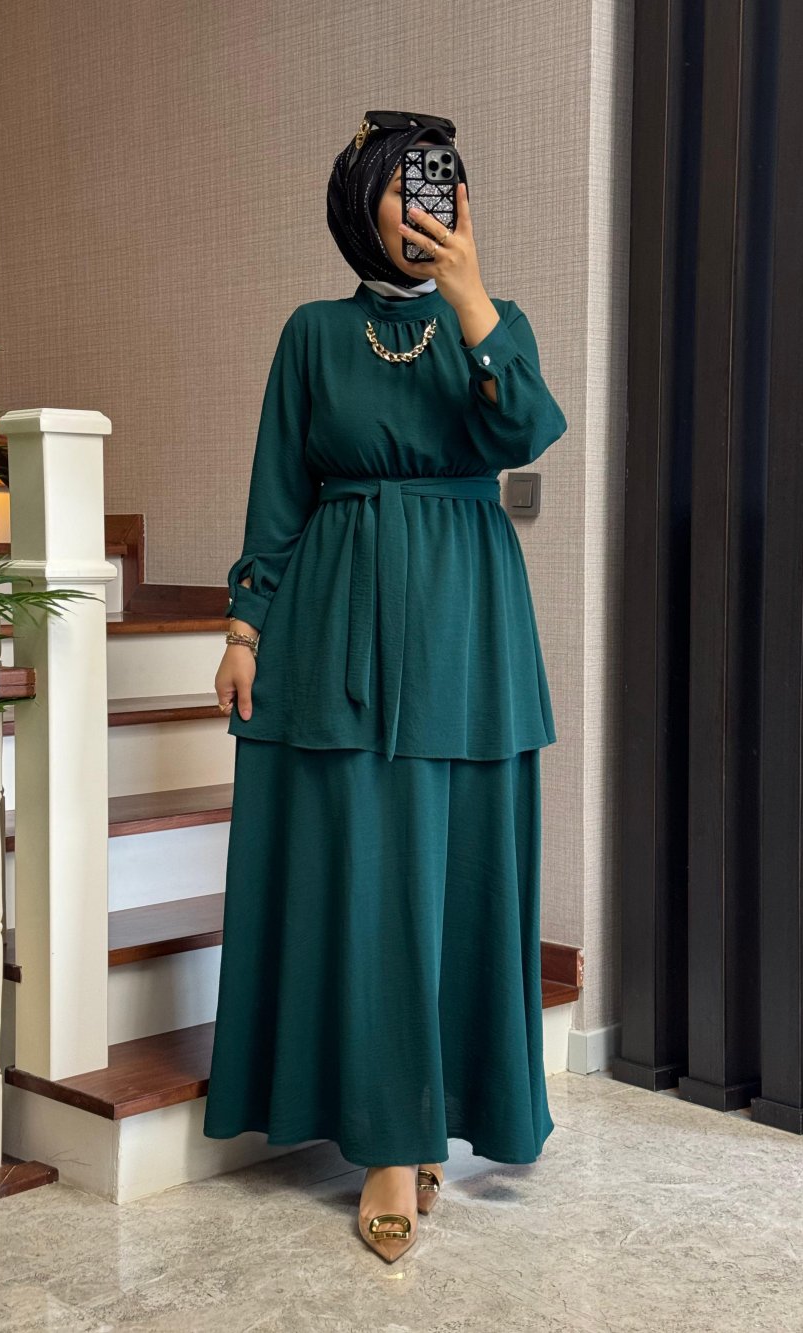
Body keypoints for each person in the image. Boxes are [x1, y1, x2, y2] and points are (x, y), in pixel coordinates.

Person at [202, 110, 568, 1263]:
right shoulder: (312, 333)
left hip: (465, 628)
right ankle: (386, 1143)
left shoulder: (494, 322)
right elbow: (279, 488)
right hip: (332, 624)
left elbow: (527, 429)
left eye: (436, 187)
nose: (420, 207)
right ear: (358, 200)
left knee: (452, 876)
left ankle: (427, 1123)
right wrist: (246, 627)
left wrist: (471, 297)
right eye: (400, 187)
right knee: (361, 878)